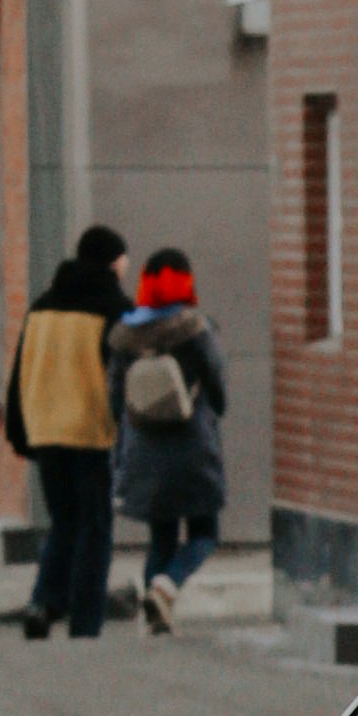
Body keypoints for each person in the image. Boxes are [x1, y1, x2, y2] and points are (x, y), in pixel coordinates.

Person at [2, 223, 128, 641]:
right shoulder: (114, 309)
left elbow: (21, 369)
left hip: (45, 429)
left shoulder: (41, 306)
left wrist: (19, 430)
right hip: (90, 431)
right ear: (112, 261)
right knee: (95, 528)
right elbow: (122, 377)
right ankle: (85, 621)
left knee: (63, 521)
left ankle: (44, 600)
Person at [109, 247, 229, 633]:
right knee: (204, 533)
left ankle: (154, 616)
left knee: (160, 536)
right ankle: (166, 586)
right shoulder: (196, 330)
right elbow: (217, 383)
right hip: (193, 448)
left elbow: (115, 400)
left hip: (143, 450)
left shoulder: (125, 337)